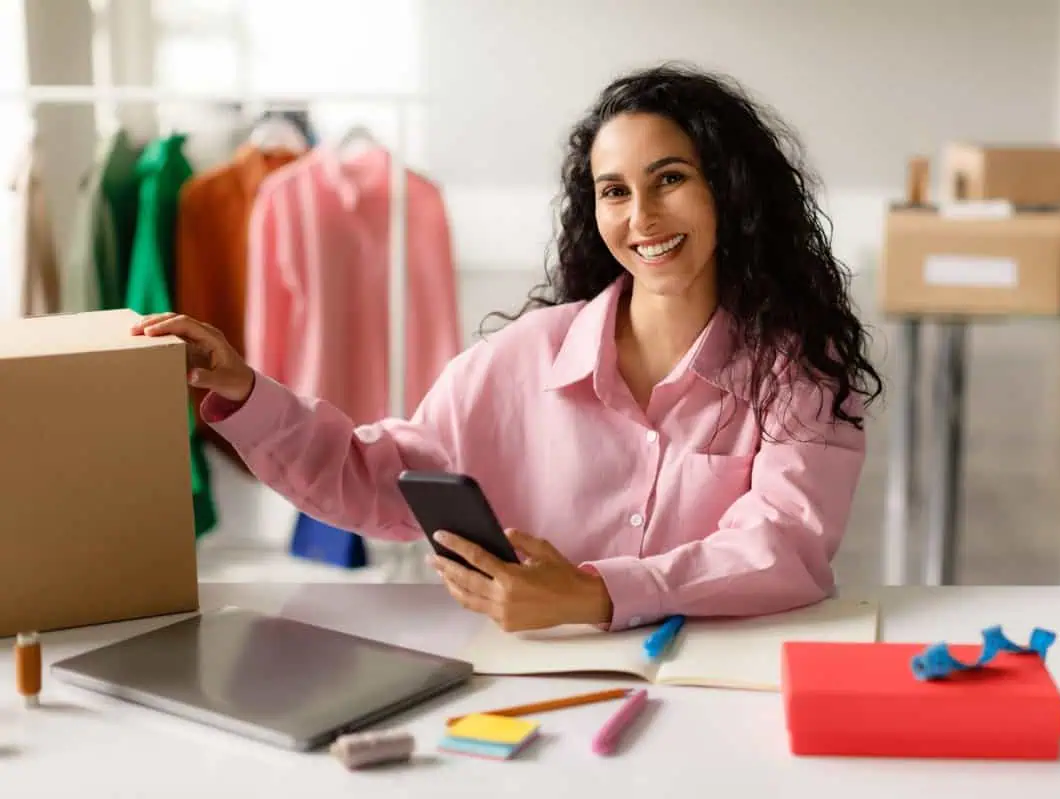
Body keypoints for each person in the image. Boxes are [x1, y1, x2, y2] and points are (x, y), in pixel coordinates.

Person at [133, 63, 882, 634]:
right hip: (537, 692)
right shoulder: (524, 357)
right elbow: (373, 477)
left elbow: (785, 545)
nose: (642, 215)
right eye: (614, 191)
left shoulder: (798, 368)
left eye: (671, 179)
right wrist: (243, 389)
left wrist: (596, 592)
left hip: (713, 691)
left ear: (732, 191)